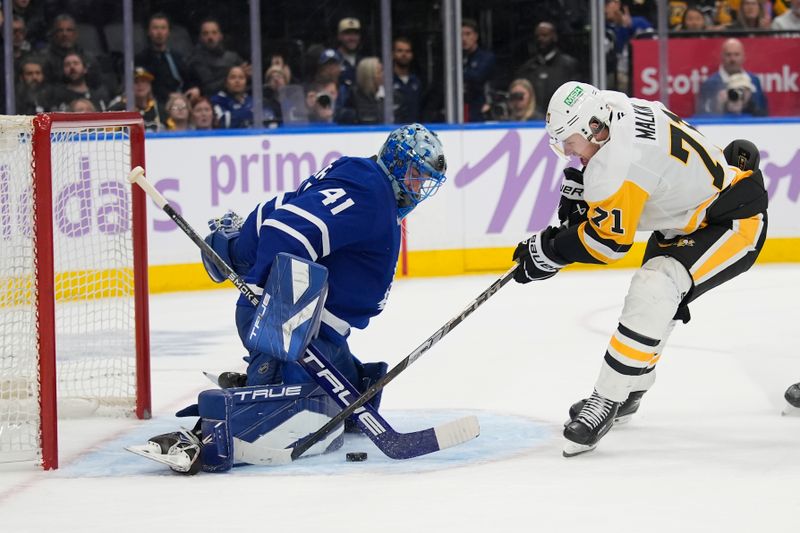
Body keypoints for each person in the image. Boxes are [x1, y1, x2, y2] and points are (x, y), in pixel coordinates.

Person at [136, 123, 448, 473]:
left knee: (348, 397)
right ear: (394, 161)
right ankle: (210, 432)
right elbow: (287, 229)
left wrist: (241, 250)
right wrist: (265, 293)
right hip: (289, 323)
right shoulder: (370, 192)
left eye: (425, 181)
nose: (418, 188)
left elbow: (288, 214)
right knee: (299, 414)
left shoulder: (369, 186)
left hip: (318, 334)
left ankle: (286, 376)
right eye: (414, 175)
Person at [513, 81, 767, 457]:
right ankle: (630, 389)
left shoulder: (619, 163)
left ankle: (606, 400)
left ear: (594, 128)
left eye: (570, 141)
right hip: (686, 216)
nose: (567, 151)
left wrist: (549, 251)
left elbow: (608, 244)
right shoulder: (613, 106)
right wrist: (581, 197)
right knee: (656, 304)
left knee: (655, 289)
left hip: (730, 220)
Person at [135, 12, 199, 108]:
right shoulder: (141, 59)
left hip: (181, 104)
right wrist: (169, 96)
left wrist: (195, 89)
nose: (159, 32)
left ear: (168, 32)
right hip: (155, 106)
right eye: (155, 28)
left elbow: (191, 78)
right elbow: (144, 86)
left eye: (163, 28)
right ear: (149, 32)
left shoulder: (177, 57)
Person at [514, 21, 580, 114]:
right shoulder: (527, 68)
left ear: (554, 37)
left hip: (562, 116)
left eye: (544, 35)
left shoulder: (569, 65)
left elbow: (577, 93)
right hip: (533, 119)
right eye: (537, 36)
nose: (540, 39)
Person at [696, 38, 767, 116]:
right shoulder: (709, 84)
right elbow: (701, 116)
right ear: (722, 57)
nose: (733, 59)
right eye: (728, 55)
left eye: (736, 54)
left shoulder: (753, 81)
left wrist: (749, 103)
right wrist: (718, 106)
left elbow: (764, 114)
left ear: (743, 57)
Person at [187, 18, 249, 96]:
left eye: (214, 33)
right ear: (200, 38)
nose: (210, 37)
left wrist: (247, 74)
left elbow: (248, 78)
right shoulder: (196, 61)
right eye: (205, 34)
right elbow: (209, 87)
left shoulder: (233, 57)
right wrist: (235, 74)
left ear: (220, 36)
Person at [108, 67, 164, 131]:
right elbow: (106, 132)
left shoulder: (158, 109)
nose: (140, 85)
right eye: (136, 82)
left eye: (143, 81)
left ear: (149, 85)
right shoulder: (118, 109)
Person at [462, 18, 495, 122]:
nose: (464, 38)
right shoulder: (455, 59)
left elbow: (477, 77)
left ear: (476, 36)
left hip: (479, 108)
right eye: (461, 34)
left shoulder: (486, 57)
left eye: (468, 34)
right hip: (460, 107)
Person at [391, 37, 423, 124]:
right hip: (393, 128)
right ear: (393, 54)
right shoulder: (386, 81)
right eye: (400, 51)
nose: (404, 54)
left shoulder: (416, 82)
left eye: (407, 51)